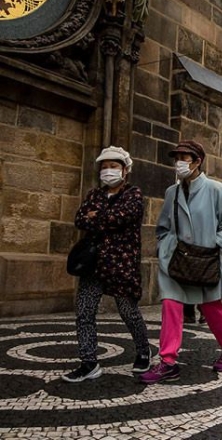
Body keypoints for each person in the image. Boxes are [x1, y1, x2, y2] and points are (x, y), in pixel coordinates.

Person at [140, 140, 222, 384]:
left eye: (185, 158)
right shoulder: (171, 192)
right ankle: (168, 361)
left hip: (204, 260)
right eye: (178, 158)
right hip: (176, 260)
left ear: (198, 161)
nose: (180, 162)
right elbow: (163, 227)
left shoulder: (216, 189)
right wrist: (166, 248)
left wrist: (214, 245)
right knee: (171, 306)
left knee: (212, 308)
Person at [62, 146, 151, 383]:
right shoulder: (94, 194)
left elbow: (120, 217)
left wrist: (96, 217)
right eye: (104, 166)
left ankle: (143, 351)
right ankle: (89, 362)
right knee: (84, 312)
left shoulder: (134, 194)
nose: (108, 170)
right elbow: (80, 218)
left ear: (125, 170)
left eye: (113, 166)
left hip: (121, 264)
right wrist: (95, 217)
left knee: (128, 311)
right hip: (93, 264)